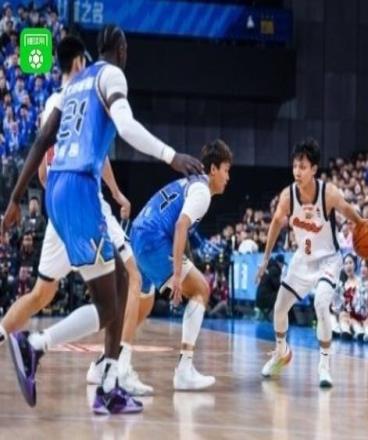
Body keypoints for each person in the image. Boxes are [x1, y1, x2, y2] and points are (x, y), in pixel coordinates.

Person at [1, 25, 203, 414]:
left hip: (57, 191)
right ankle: (35, 345)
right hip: (79, 189)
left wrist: (14, 199)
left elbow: (42, 140)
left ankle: (109, 386)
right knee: (110, 305)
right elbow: (125, 127)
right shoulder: (111, 75)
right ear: (121, 49)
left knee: (124, 281)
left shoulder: (73, 86)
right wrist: (171, 156)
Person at [0, 36, 154, 396]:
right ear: (82, 63)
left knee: (42, 292)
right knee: (128, 281)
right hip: (84, 199)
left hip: (60, 202)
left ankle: (105, 372)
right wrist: (113, 194)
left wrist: (26, 198)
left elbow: (45, 161)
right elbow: (91, 156)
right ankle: (114, 370)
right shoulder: (86, 92)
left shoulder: (56, 100)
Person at [256, 138, 368, 388]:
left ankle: (324, 365)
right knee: (279, 308)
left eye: (303, 167)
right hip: (303, 260)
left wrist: (363, 224)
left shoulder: (328, 193)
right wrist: (265, 259)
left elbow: (348, 210)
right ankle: (281, 352)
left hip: (328, 260)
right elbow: (275, 224)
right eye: (295, 166)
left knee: (320, 304)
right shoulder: (288, 196)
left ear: (314, 169)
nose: (297, 171)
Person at [130, 139, 232, 390]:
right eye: (226, 170)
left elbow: (181, 231)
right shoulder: (202, 192)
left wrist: (184, 264)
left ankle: (106, 362)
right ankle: (184, 370)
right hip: (154, 240)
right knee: (201, 290)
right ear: (213, 170)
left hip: (138, 234)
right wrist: (177, 274)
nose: (228, 178)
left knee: (142, 306)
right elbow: (180, 226)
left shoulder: (190, 184)